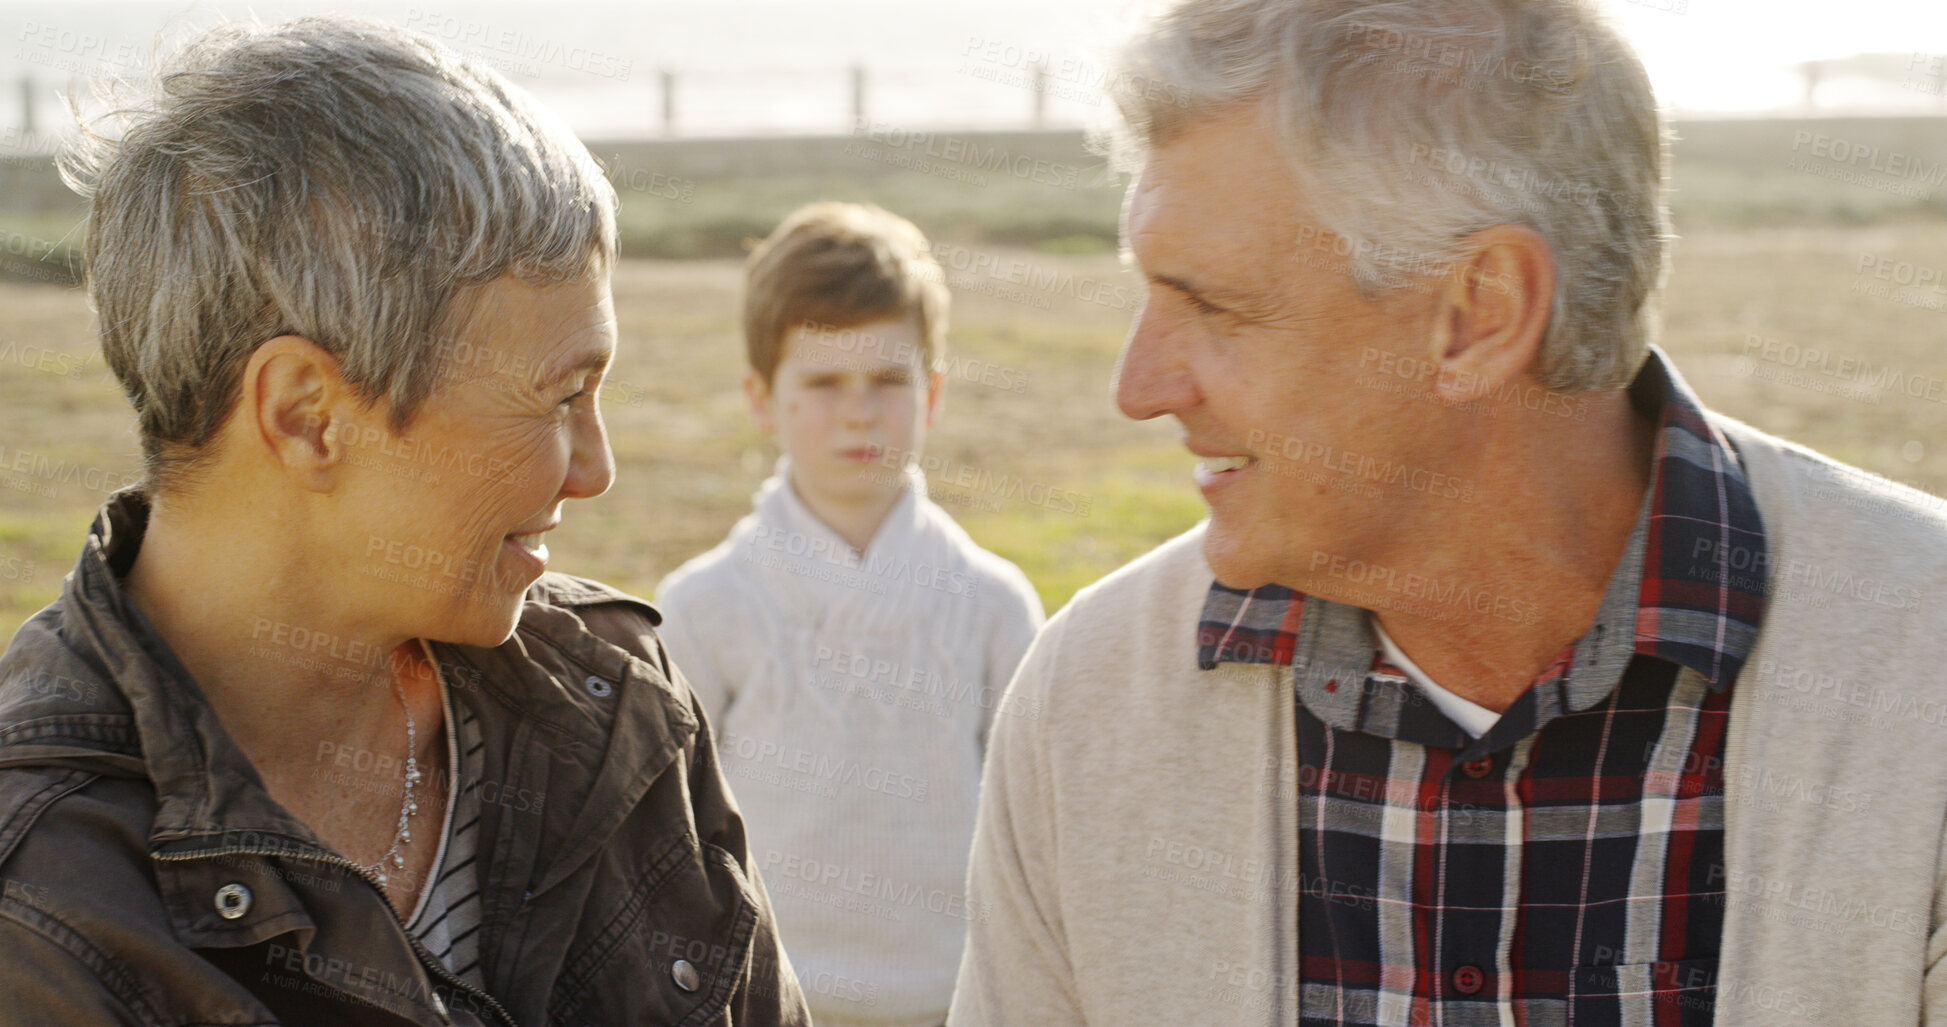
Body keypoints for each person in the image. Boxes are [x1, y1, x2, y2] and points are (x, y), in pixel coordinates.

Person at [950, 1, 1947, 1025]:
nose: (1140, 385)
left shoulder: (1922, 677)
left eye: (1217, 307)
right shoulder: (1087, 706)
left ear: (1478, 315)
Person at [0, 18, 808, 1025]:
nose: (597, 469)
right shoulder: (41, 900)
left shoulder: (619, 705)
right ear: (306, 414)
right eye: (561, 396)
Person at [656, 201, 1044, 1027]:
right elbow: (670, 848)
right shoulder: (701, 608)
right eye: (824, 384)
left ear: (932, 393)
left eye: (887, 382)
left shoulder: (993, 605)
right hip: (765, 1005)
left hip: (957, 1003)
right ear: (762, 398)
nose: (860, 413)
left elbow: (1036, 841)